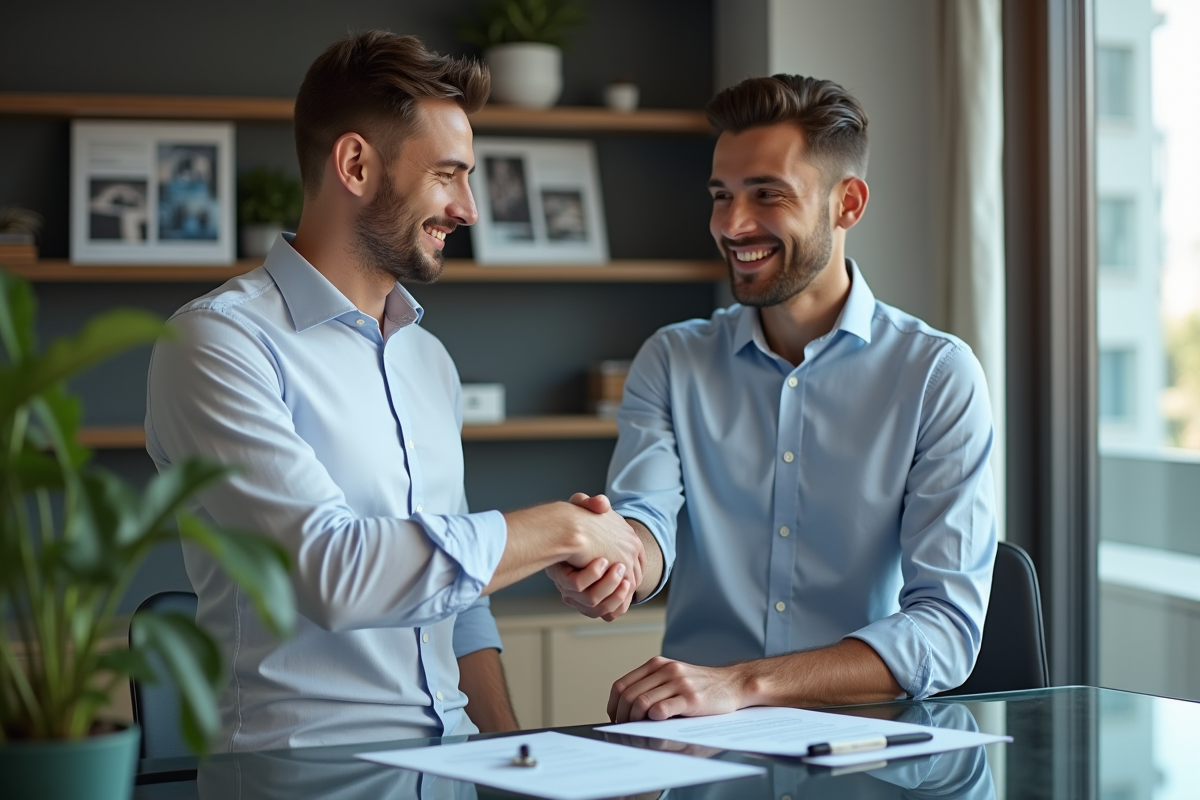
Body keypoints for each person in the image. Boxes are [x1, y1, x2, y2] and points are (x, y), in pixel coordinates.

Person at [145, 31, 643, 752]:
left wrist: (512, 760)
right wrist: (561, 529)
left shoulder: (428, 360)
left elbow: (458, 601)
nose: (468, 209)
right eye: (447, 174)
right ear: (355, 164)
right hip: (308, 771)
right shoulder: (218, 344)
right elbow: (335, 571)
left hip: (454, 758)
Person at [547, 74, 997, 721]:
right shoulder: (671, 360)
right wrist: (612, 567)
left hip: (866, 759)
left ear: (848, 204)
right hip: (704, 755)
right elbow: (647, 522)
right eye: (721, 196)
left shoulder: (937, 375)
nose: (732, 224)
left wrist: (742, 683)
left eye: (767, 195)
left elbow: (946, 630)